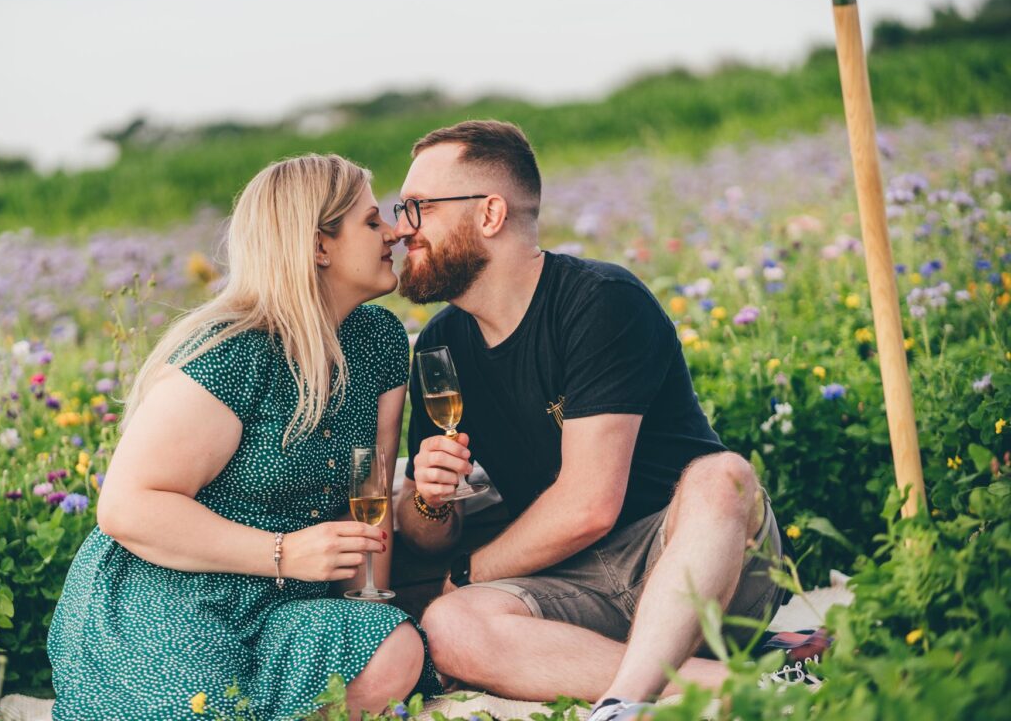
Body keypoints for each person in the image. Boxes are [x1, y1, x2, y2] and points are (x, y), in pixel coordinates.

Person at [391, 120, 793, 720]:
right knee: (450, 625)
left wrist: (469, 571)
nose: (402, 227)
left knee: (722, 475)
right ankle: (750, 678)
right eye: (402, 209)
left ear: (490, 214)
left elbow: (588, 506)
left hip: (690, 557)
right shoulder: (441, 345)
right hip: (572, 585)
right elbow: (430, 536)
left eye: (420, 208)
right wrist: (429, 500)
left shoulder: (600, 301)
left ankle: (624, 702)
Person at [47, 154, 437, 721]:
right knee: (203, 708)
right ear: (319, 245)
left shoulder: (378, 339)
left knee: (393, 646)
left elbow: (368, 492)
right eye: (372, 222)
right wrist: (284, 553)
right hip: (174, 592)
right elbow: (127, 508)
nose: (396, 232)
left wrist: (365, 598)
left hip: (285, 601)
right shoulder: (238, 350)